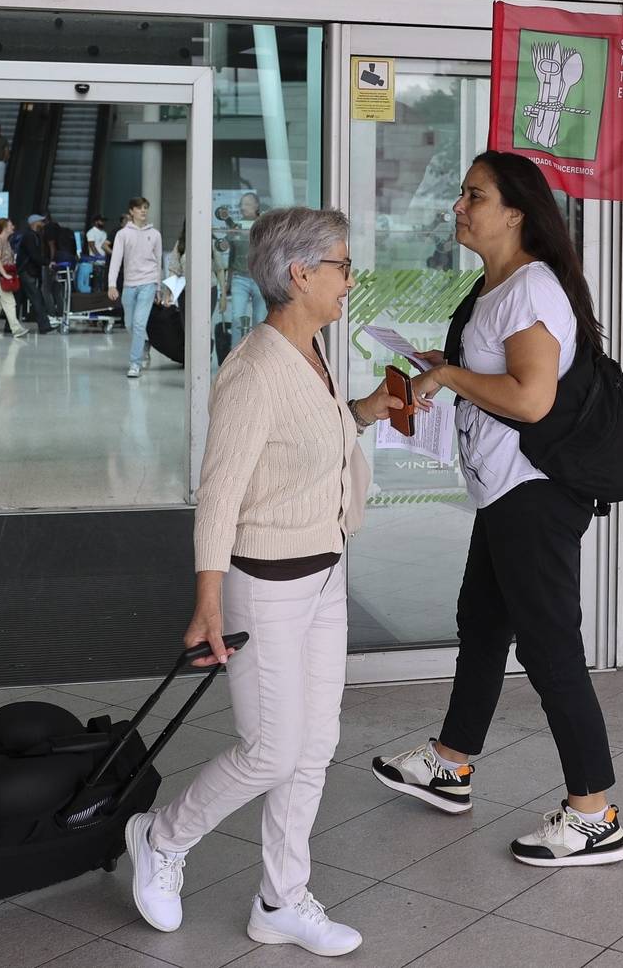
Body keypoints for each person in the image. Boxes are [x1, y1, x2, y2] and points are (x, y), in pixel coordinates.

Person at [126, 206, 404, 958]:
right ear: (300, 274)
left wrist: (369, 411)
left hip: (323, 575)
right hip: (266, 585)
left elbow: (308, 439)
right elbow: (219, 492)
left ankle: (281, 898)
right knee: (271, 750)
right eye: (343, 266)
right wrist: (207, 599)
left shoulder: (312, 351)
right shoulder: (252, 370)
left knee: (314, 747)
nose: (351, 279)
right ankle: (159, 835)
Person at [371, 151, 623, 868]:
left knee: (550, 649)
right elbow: (502, 379)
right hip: (505, 489)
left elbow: (531, 400)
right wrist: (443, 364)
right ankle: (451, 765)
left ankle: (595, 813)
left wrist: (450, 374)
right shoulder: (494, 287)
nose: (458, 206)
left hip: (535, 493)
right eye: (460, 194)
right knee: (482, 626)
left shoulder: (530, 289)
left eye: (473, 195)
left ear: (515, 211)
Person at [106, 197, 166, 378]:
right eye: (139, 208)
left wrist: (158, 287)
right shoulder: (123, 234)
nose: (143, 211)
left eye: (146, 208)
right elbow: (115, 260)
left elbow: (158, 261)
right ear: (131, 211)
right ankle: (145, 342)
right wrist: (111, 285)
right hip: (129, 285)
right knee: (130, 324)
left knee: (139, 324)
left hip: (148, 283)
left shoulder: (155, 234)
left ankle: (134, 363)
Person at [226, 193, 268, 345]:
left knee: (260, 319)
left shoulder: (264, 226)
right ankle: (235, 357)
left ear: (257, 206)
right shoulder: (236, 227)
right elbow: (231, 254)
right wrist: (227, 282)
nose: (244, 207)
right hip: (239, 278)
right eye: (242, 204)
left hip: (259, 279)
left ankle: (257, 356)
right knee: (237, 317)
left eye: (248, 204)